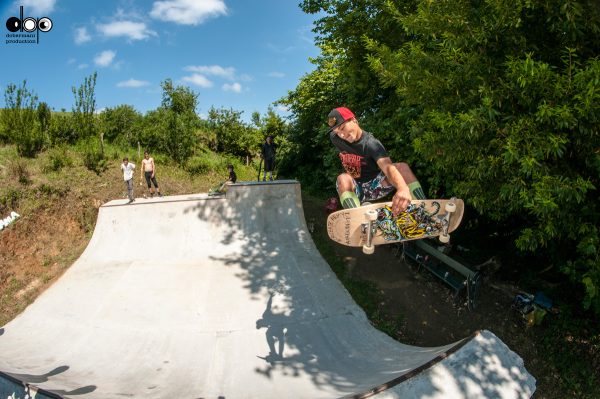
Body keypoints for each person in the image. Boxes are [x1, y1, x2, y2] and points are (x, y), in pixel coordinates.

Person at [327, 106, 426, 216]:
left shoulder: (371, 144)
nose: (342, 135)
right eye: (337, 132)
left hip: (376, 186)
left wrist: (402, 188)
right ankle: (356, 217)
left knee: (402, 167)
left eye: (342, 128)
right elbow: (337, 133)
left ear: (354, 120)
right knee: (342, 178)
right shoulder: (334, 138)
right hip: (355, 187)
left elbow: (387, 167)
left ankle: (424, 209)